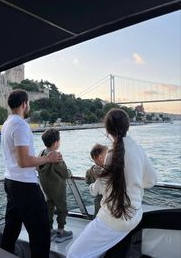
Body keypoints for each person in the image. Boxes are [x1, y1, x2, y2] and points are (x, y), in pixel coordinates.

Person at [67, 108, 157, 258]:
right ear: (127, 126)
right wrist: (133, 183)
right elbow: (151, 180)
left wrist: (91, 187)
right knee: (117, 251)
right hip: (134, 216)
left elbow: (98, 188)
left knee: (73, 254)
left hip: (114, 219)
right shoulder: (139, 150)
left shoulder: (110, 155)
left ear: (108, 130)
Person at [0, 89, 62, 258]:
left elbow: (19, 159)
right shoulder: (20, 125)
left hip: (10, 181)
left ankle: (5, 254)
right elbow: (24, 161)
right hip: (24, 185)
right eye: (28, 104)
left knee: (12, 226)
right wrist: (48, 159)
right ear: (24, 104)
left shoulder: (6, 124)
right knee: (40, 232)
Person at [38, 128, 73, 243]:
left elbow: (38, 167)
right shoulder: (56, 157)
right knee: (62, 209)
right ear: (56, 143)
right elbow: (64, 173)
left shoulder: (42, 154)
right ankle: (61, 232)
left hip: (46, 189)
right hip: (58, 189)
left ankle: (49, 230)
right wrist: (69, 173)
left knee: (49, 208)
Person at [85, 144, 109, 217]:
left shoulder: (90, 171)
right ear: (100, 157)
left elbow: (88, 181)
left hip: (98, 198)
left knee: (98, 216)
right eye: (107, 154)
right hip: (107, 199)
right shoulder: (107, 170)